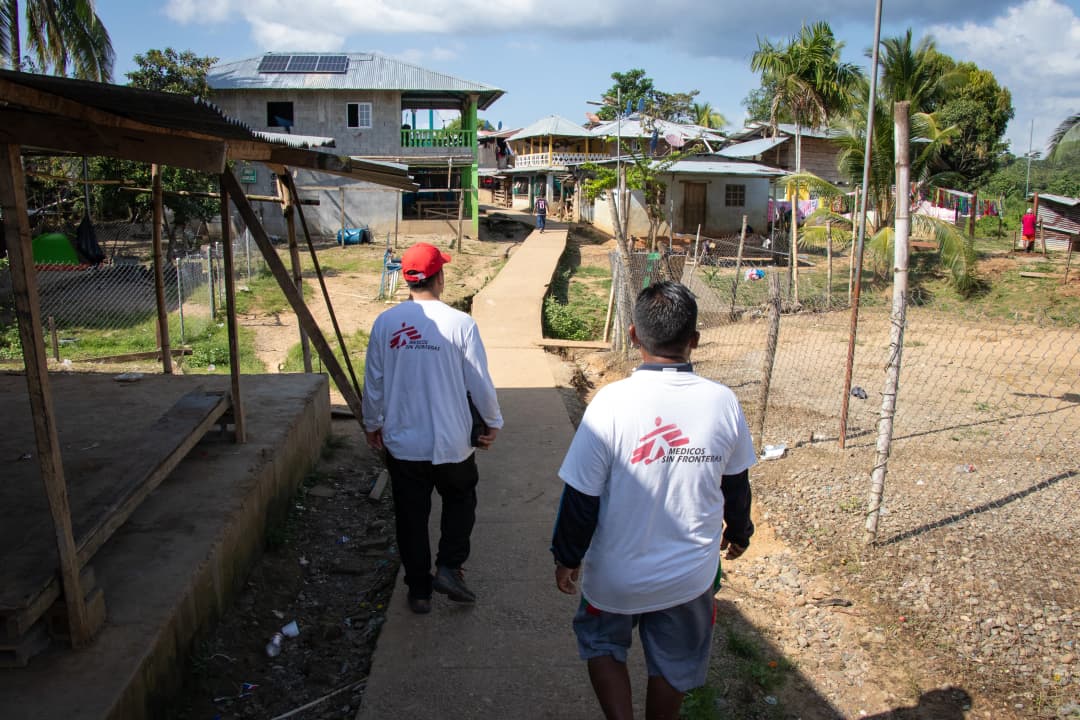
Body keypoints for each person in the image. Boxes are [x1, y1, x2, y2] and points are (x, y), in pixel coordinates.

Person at [551, 281, 756, 720]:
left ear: (632, 336)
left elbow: (581, 496)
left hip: (614, 577)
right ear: (695, 340)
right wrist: (740, 533)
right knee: (675, 660)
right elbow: (735, 485)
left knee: (603, 644)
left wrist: (566, 556)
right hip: (689, 579)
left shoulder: (610, 403)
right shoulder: (723, 403)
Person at [362, 242, 503, 615]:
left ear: (407, 280)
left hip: (403, 443)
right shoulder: (460, 324)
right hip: (452, 441)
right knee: (460, 501)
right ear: (439, 277)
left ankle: (419, 591)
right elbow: (479, 382)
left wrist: (371, 423)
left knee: (411, 516)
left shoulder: (385, 323)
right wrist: (493, 420)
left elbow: (373, 382)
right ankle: (449, 567)